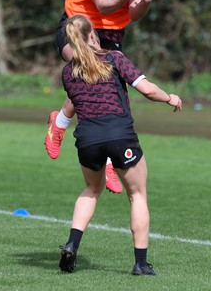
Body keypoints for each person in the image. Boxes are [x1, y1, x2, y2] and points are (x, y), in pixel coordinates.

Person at [57, 14, 182, 275]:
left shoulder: (67, 73)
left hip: (87, 140)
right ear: (92, 34)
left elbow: (76, 104)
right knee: (137, 194)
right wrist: (169, 97)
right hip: (119, 135)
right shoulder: (114, 59)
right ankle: (140, 263)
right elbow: (147, 89)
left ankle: (71, 245)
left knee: (91, 190)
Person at [45, 0, 154, 194]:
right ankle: (62, 127)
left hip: (111, 35)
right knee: (87, 75)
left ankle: (67, 127)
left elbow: (135, 13)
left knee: (113, 96)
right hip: (77, 27)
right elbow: (104, 5)